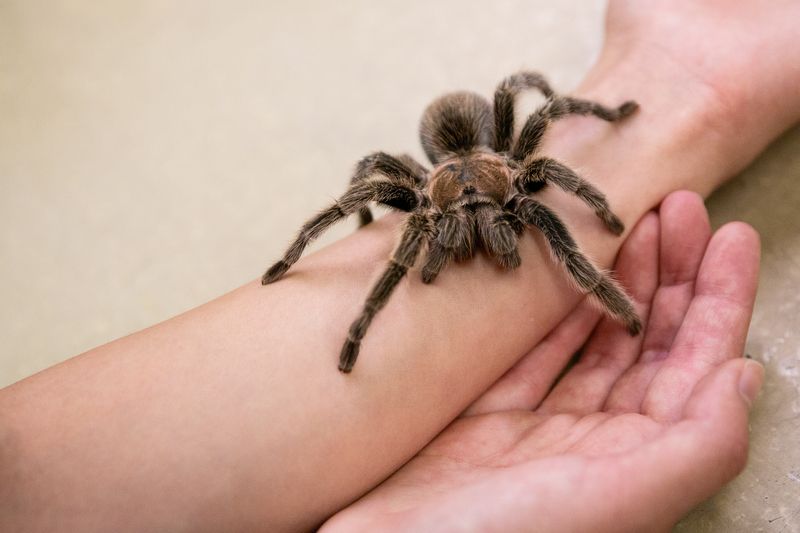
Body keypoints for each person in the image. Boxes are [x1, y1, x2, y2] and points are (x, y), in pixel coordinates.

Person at [0, 0, 797, 531]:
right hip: (441, 179)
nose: (478, 227)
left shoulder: (521, 168)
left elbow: (539, 109)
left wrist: (623, 134)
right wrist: (332, 263)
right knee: (396, 203)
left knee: (542, 117)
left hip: (483, 156)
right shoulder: (421, 198)